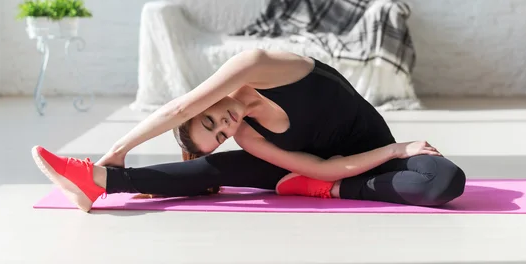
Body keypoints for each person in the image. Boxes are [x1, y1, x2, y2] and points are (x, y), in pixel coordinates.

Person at [32, 49, 466, 212]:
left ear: (204, 104)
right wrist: (387, 156)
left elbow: (178, 106)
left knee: (445, 180)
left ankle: (318, 192)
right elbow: (320, 166)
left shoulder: (257, 66)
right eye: (217, 135)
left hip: (369, 157)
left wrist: (121, 145)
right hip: (334, 171)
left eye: (209, 120)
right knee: (221, 170)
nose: (224, 127)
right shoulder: (248, 136)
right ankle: (97, 182)